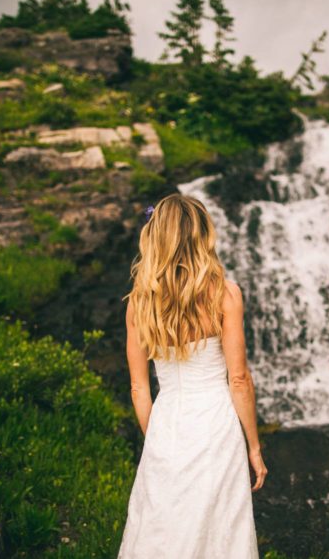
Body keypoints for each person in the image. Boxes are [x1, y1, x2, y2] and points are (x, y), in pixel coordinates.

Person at [117, 193, 267, 558]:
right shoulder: (224, 295)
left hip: (167, 424)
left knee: (162, 525)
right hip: (216, 425)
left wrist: (157, 440)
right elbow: (239, 379)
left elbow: (139, 387)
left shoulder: (140, 302)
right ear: (202, 235)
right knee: (220, 529)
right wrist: (254, 447)